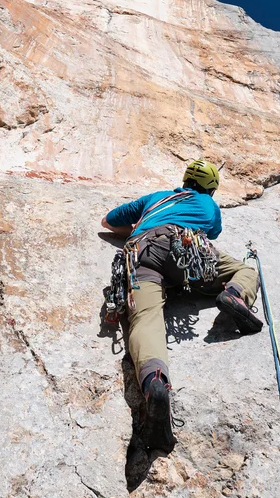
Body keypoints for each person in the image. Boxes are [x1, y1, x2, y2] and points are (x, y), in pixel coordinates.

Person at [101, 160, 264, 451]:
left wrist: (140, 224)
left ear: (185, 180)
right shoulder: (207, 204)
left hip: (142, 251)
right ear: (211, 189)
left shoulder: (157, 197)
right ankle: (235, 294)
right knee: (247, 270)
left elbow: (109, 222)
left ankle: (154, 382)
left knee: (145, 320)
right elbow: (212, 233)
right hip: (186, 249)